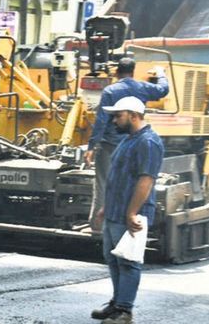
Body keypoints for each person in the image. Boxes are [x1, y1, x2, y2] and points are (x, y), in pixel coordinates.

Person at [90, 96, 164, 324]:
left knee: (128, 262)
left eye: (118, 115)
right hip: (115, 211)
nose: (113, 121)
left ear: (133, 115)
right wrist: (105, 207)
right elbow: (117, 178)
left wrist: (131, 213)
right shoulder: (128, 140)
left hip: (131, 215)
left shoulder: (148, 142)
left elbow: (146, 181)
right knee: (113, 259)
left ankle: (124, 311)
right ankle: (117, 303)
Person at [84, 58, 169, 227]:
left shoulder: (110, 91)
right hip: (132, 142)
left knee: (104, 184)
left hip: (110, 145)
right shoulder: (142, 88)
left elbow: (101, 120)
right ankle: (127, 220)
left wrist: (92, 147)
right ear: (133, 71)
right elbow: (163, 90)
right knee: (133, 182)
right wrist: (160, 73)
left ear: (116, 72)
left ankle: (97, 226)